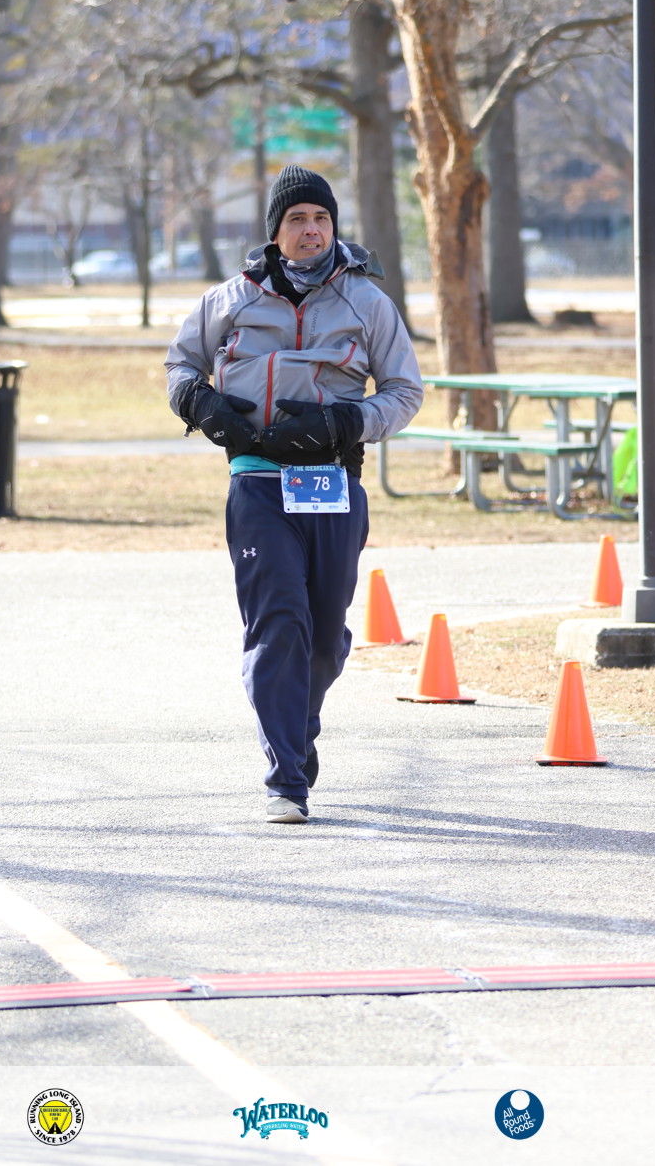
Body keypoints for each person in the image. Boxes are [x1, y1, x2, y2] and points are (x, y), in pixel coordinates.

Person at [165, 165, 423, 824]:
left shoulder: (368, 303)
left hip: (331, 480)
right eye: (297, 219)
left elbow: (404, 392)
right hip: (256, 477)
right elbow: (180, 364)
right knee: (279, 621)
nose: (311, 230)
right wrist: (200, 404)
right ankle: (285, 776)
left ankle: (297, 731)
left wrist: (344, 423)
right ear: (275, 232)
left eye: (321, 219)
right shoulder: (230, 299)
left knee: (324, 638)